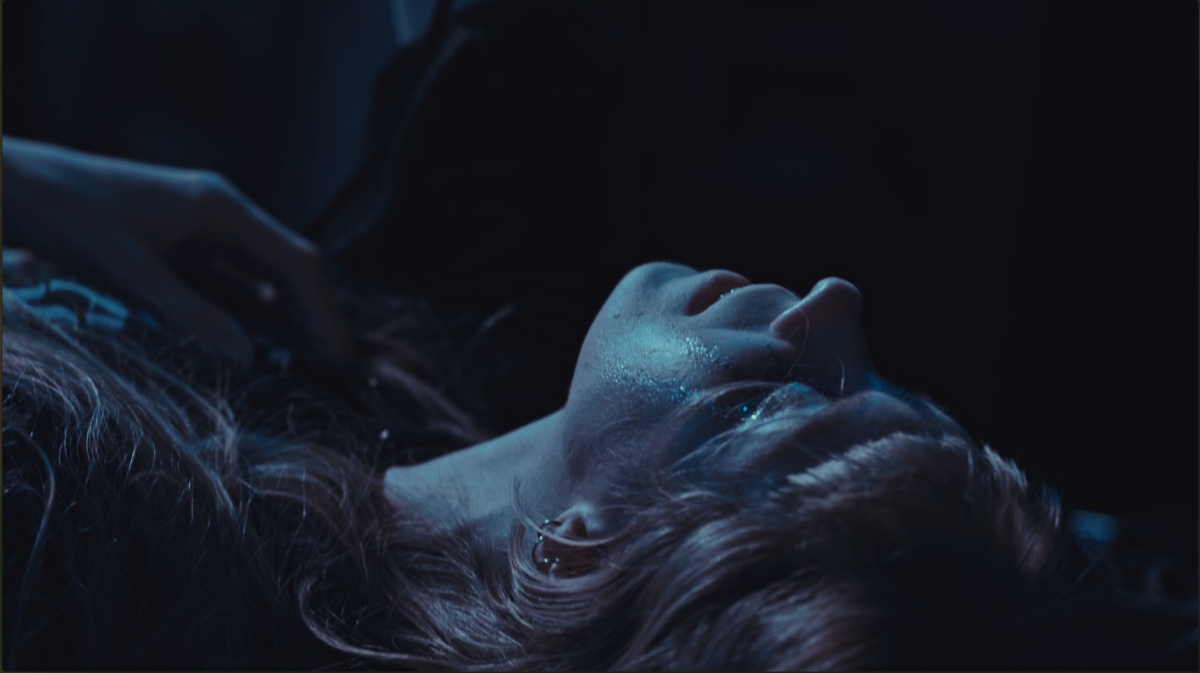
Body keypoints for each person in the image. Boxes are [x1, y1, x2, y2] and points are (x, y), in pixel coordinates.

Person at [2, 140, 1118, 670]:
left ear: (577, 552)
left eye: (782, 408)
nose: (837, 306)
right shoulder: (382, 398)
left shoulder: (58, 535)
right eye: (887, 387)